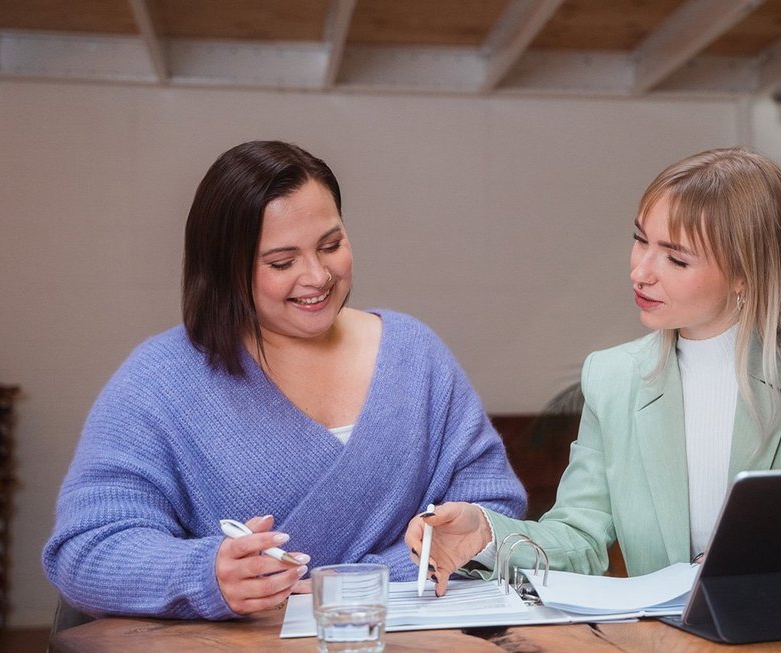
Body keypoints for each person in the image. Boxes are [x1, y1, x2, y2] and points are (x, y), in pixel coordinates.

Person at [42, 140, 526, 620]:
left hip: (405, 636)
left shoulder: (415, 356)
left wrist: (362, 584)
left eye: (331, 245)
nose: (317, 276)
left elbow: (492, 507)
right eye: (281, 262)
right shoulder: (159, 381)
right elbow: (88, 549)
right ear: (224, 270)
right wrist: (205, 574)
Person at [406, 147, 781, 595]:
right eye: (640, 239)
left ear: (746, 274)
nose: (640, 271)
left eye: (675, 259)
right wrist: (485, 535)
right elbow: (582, 538)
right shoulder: (614, 377)